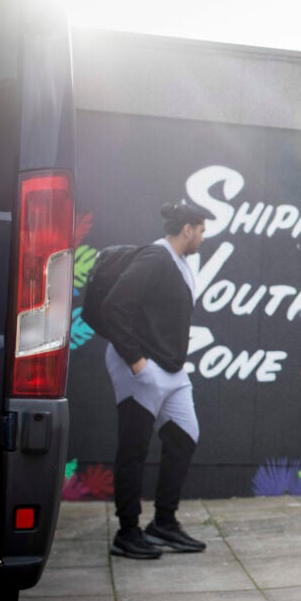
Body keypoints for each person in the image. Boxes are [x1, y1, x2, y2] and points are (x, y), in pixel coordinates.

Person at [103, 199, 214, 559]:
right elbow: (114, 307)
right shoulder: (155, 257)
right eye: (201, 231)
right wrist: (136, 361)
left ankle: (164, 522)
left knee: (184, 437)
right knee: (134, 448)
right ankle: (128, 531)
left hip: (172, 370)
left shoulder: (179, 262)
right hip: (140, 366)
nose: (202, 238)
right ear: (188, 230)